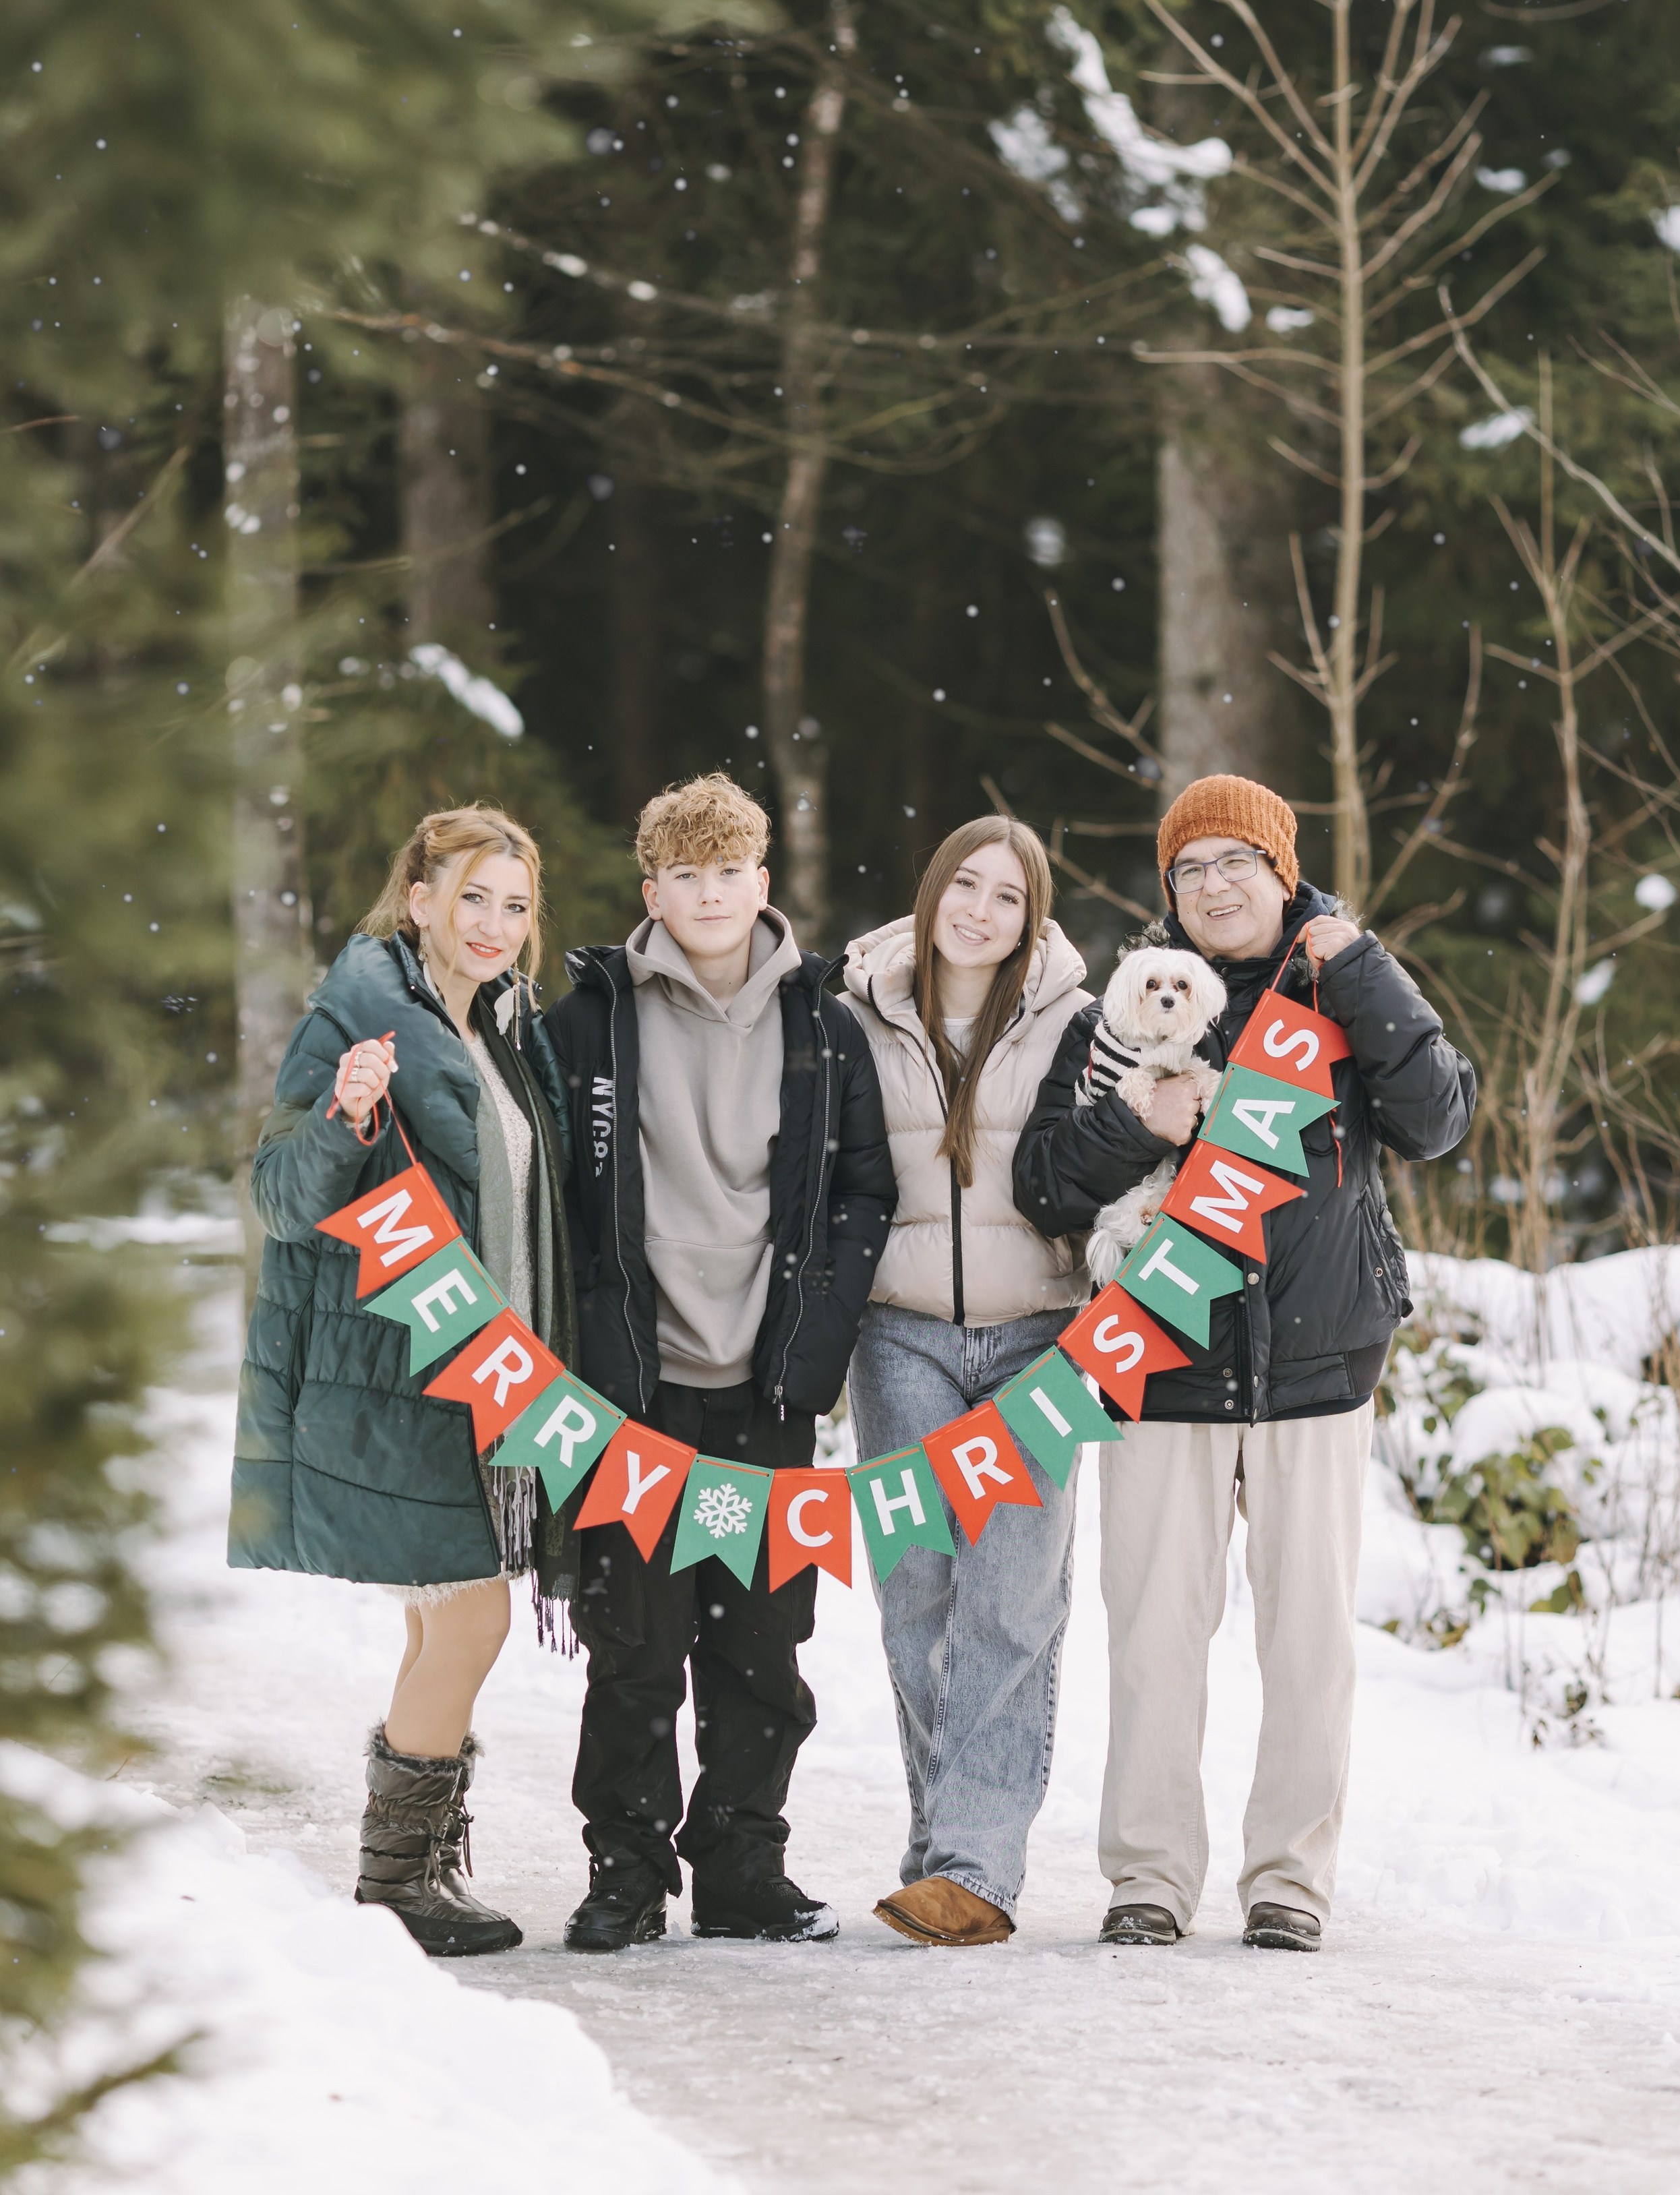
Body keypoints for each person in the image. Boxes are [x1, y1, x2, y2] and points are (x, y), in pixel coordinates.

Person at [1014, 773, 1475, 1954]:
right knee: (1154, 1636)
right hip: (1163, 1364)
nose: (1216, 887)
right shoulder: (1130, 1008)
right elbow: (1047, 1184)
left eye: (1238, 864)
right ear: (1169, 891)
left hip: (1320, 1364)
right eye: (1191, 870)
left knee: (1309, 1642)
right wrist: (1136, 1125)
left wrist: (1363, 967)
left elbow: (1438, 1120)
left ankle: (1289, 1883)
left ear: (1283, 872)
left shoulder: (1340, 990)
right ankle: (1149, 1880)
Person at [544, 773, 894, 1952]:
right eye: (682, 874)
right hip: (631, 1385)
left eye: (728, 870)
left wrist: (818, 1341)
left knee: (759, 1645)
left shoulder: (824, 1026)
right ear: (651, 889)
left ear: (762, 881)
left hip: (766, 1381)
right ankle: (629, 1870)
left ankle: (742, 1863)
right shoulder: (590, 1018)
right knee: (634, 1647)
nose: (708, 893)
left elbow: (863, 1192)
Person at [229, 804, 576, 1958]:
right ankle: (399, 1878)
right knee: (470, 1614)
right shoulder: (362, 1015)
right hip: (404, 1366)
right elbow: (281, 1193)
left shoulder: (507, 1029)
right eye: (472, 896)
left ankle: (413, 1862)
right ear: (418, 897)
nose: (495, 924)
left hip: (499, 1370)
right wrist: (346, 1113)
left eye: (515, 905)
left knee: (447, 1619)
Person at [843, 818, 1091, 1948]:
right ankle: (941, 1841)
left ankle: (977, 1867)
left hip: (1042, 1341)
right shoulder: (857, 1008)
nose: (981, 911)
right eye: (965, 885)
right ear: (931, 889)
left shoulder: (1077, 1023)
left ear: (1032, 915)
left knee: (1012, 1600)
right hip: (898, 1339)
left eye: (1008, 896)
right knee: (919, 1597)